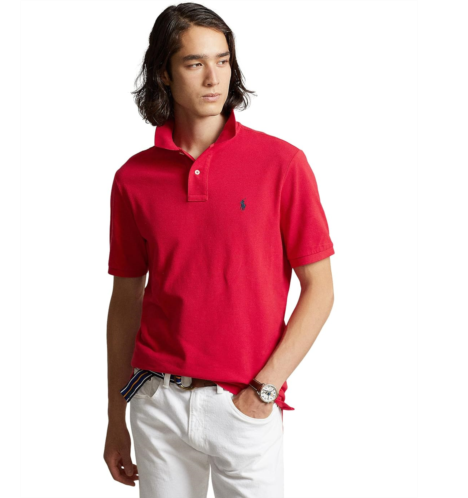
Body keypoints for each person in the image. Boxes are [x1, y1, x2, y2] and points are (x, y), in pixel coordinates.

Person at [103, 3, 335, 497]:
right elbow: (126, 300)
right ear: (164, 74)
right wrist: (115, 416)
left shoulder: (282, 164)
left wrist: (264, 390)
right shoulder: (133, 179)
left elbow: (320, 290)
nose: (214, 78)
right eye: (195, 63)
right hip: (157, 401)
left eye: (223, 60)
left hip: (245, 404)